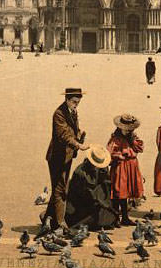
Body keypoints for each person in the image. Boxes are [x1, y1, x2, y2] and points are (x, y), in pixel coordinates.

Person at [43, 87, 89, 231]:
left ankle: (46, 217)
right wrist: (77, 144)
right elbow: (63, 134)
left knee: (60, 186)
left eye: (78, 102)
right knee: (60, 189)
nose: (76, 105)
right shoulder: (59, 113)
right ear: (67, 100)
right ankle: (60, 223)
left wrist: (79, 134)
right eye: (74, 102)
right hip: (57, 157)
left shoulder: (72, 111)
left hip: (67, 155)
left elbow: (72, 130)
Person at [65, 146, 117, 230]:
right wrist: (99, 201)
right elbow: (85, 192)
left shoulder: (102, 169)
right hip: (80, 203)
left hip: (94, 200)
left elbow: (105, 185)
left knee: (108, 216)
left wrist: (103, 201)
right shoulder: (80, 172)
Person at [107, 113, 143, 226]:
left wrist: (133, 141)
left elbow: (140, 148)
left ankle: (125, 217)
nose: (128, 131)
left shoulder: (133, 138)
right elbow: (109, 153)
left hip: (131, 166)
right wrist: (118, 156)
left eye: (130, 129)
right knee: (118, 192)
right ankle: (115, 218)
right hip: (120, 167)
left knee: (126, 192)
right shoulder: (115, 139)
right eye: (126, 129)